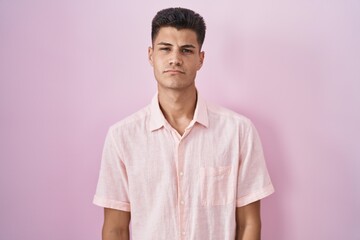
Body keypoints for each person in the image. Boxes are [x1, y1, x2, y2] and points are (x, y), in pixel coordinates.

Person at [93, 7, 274, 240]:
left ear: (200, 59)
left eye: (186, 50)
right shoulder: (122, 137)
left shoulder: (238, 131)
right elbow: (115, 228)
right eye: (165, 48)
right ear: (150, 55)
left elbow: (249, 223)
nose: (175, 59)